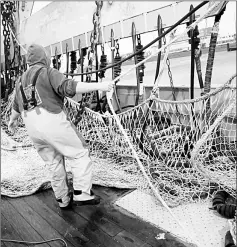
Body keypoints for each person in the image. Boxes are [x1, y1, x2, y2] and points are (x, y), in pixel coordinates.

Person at [8, 44, 114, 209]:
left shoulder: (20, 81)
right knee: (80, 152)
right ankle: (82, 193)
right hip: (50, 119)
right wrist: (100, 86)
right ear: (44, 57)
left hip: (31, 126)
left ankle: (63, 199)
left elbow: (16, 108)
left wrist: (11, 122)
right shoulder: (48, 72)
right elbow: (71, 87)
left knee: (54, 162)